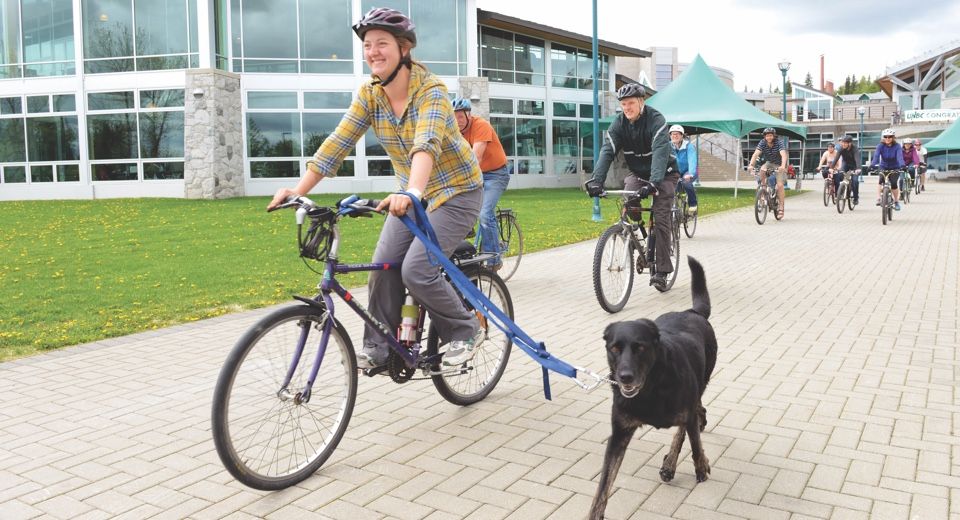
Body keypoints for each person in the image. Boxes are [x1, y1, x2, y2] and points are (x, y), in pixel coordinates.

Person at [268, 8, 485, 369]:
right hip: (412, 194)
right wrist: (297, 189)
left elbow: (425, 143)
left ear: (404, 49)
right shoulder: (370, 95)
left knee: (416, 270)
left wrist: (412, 192)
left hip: (457, 192)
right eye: (368, 45)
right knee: (383, 267)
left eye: (381, 44)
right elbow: (338, 142)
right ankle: (382, 348)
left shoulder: (431, 91)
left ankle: (464, 329)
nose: (373, 52)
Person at [583, 83, 679, 289]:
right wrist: (597, 180)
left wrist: (654, 182)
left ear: (641, 102)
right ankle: (637, 230)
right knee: (630, 193)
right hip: (639, 174)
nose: (627, 108)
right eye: (623, 104)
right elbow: (608, 151)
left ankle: (662, 270)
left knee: (661, 216)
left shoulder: (656, 120)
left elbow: (661, 152)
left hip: (665, 174)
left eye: (631, 103)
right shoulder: (619, 124)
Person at [452, 97, 510, 270]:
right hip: (477, 175)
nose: (457, 121)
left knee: (485, 213)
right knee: (454, 206)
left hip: (496, 174)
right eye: (453, 117)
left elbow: (475, 157)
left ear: (468, 114)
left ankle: (493, 261)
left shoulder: (481, 125)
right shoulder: (454, 131)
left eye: (460, 117)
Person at [746, 127, 788, 219]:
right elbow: (756, 154)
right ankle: (764, 190)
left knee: (780, 185)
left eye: (770, 135)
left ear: (773, 136)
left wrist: (782, 166)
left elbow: (783, 155)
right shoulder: (762, 142)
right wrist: (751, 165)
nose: (769, 137)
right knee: (762, 169)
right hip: (769, 163)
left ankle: (781, 207)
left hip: (780, 163)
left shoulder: (778, 142)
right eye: (767, 136)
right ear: (764, 136)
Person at [869, 128, 904, 210]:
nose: (887, 139)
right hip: (883, 166)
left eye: (890, 137)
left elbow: (899, 157)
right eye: (886, 137)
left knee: (894, 184)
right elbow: (876, 157)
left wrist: (902, 165)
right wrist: (872, 165)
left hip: (895, 167)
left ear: (893, 137)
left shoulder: (897, 146)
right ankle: (878, 198)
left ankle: (896, 201)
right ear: (883, 137)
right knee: (881, 180)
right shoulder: (880, 146)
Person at [668, 124, 698, 215]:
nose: (675, 136)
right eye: (672, 134)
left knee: (686, 183)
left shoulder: (689, 146)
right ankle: (674, 208)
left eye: (677, 134)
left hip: (688, 171)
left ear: (682, 135)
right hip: (675, 171)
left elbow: (692, 160)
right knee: (670, 187)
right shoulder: (668, 146)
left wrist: (691, 173)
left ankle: (693, 205)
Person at [828, 135, 860, 204]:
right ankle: (841, 191)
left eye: (845, 143)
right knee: (840, 175)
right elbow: (836, 158)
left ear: (849, 143)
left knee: (855, 181)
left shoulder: (855, 148)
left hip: (854, 166)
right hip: (846, 164)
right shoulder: (841, 148)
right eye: (842, 142)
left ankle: (855, 198)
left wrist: (858, 168)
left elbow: (857, 159)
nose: (843, 144)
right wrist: (831, 168)